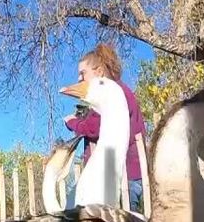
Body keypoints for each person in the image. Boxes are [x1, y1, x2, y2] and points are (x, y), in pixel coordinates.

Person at [64, 43, 149, 213]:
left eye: (83, 73)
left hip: (123, 176)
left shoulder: (112, 93)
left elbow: (94, 127)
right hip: (132, 173)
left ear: (99, 72)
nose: (80, 79)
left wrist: (72, 122)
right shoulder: (121, 90)